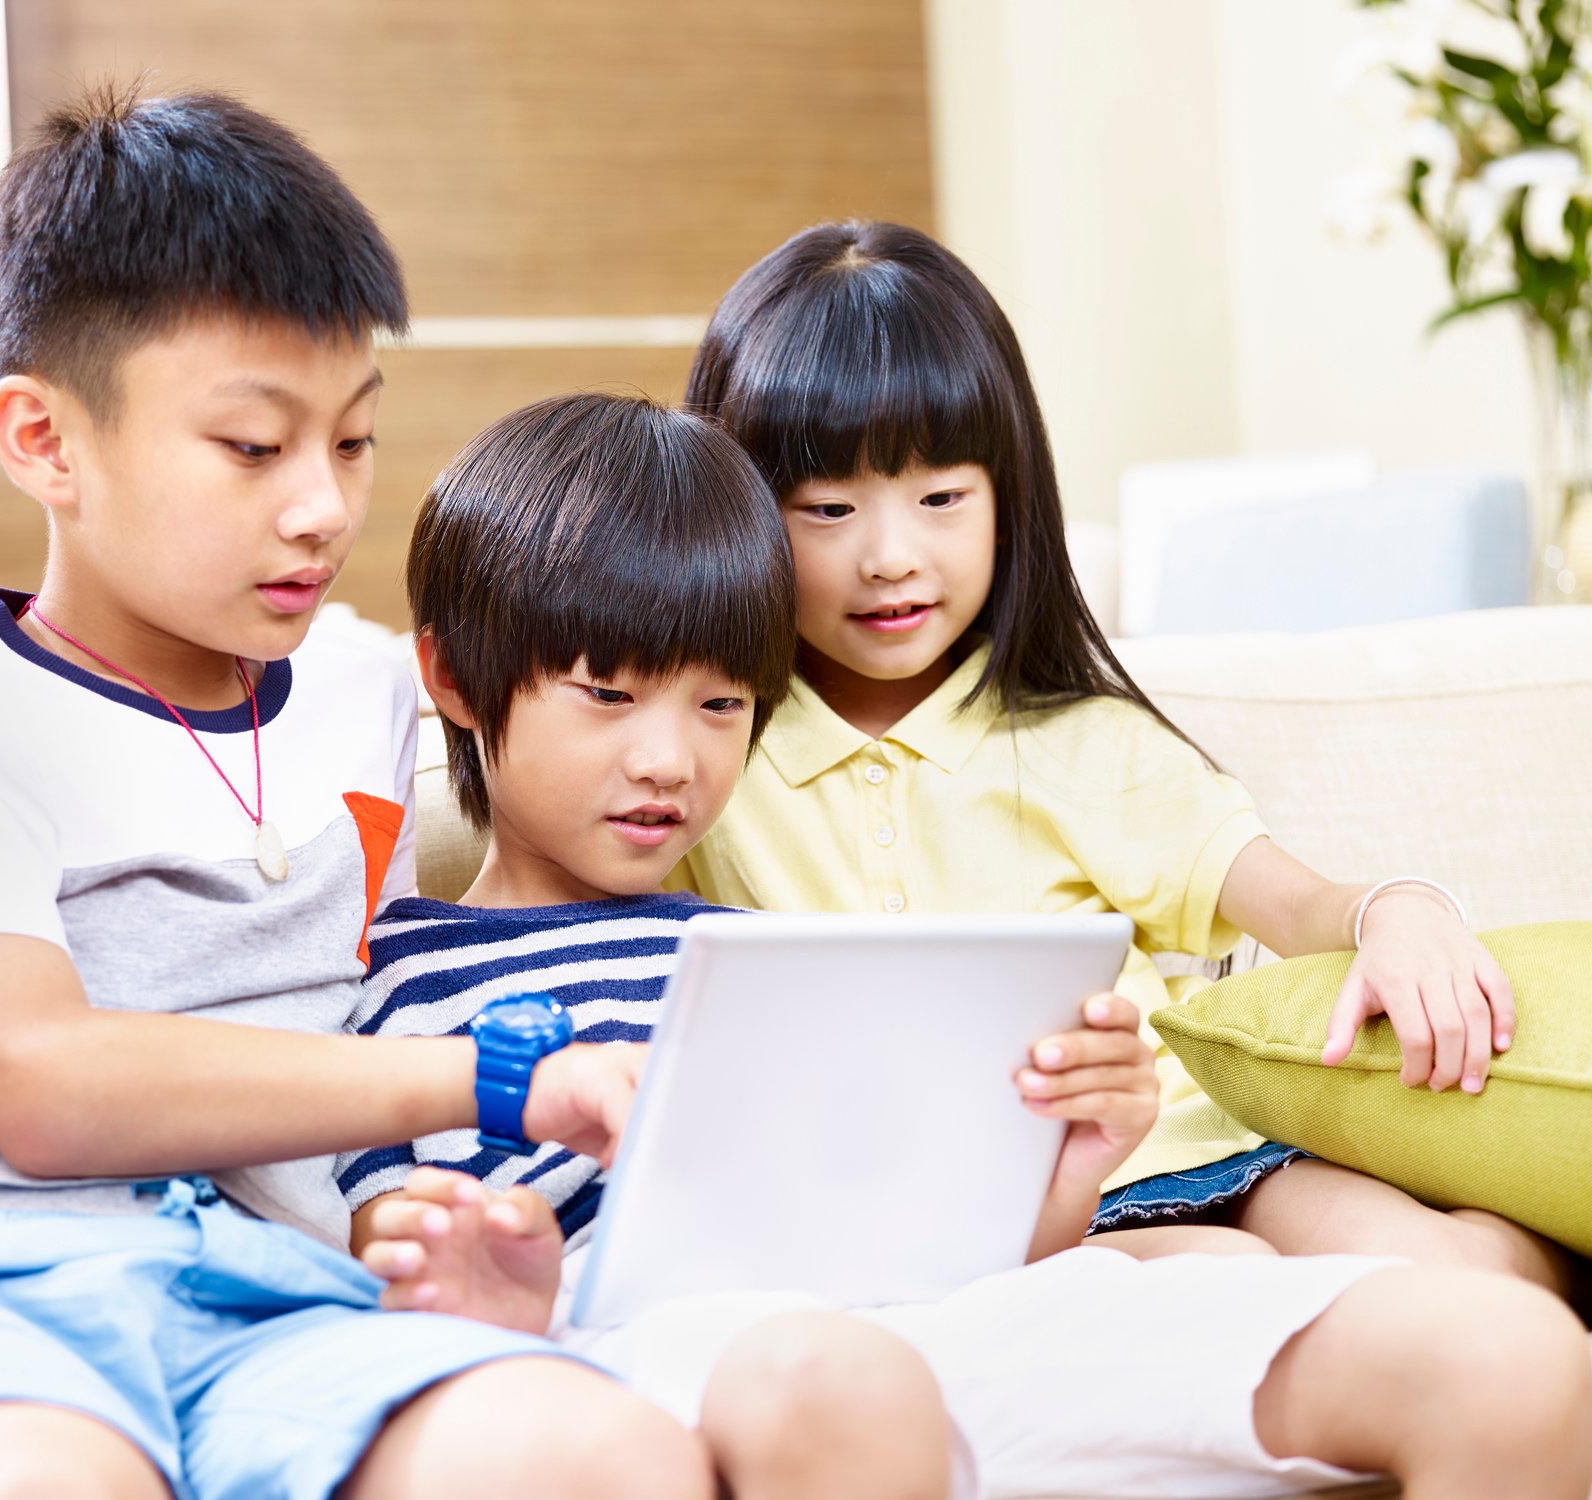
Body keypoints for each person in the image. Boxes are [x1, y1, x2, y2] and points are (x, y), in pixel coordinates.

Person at [0, 84, 719, 1500]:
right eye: (253, 446)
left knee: (600, 1453)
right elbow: (43, 1088)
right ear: (45, 441)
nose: (325, 509)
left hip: (264, 1298)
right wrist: (504, 1080)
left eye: (353, 441)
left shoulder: (369, 693)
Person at [346, 390, 1592, 1500]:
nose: (670, 760)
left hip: (966, 1327)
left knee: (1511, 1358)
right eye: (608, 696)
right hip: (685, 1352)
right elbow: (387, 1246)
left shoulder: (770, 950)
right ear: (453, 679)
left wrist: (1072, 1156)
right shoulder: (403, 970)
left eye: (722, 703)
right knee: (834, 1381)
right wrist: (493, 1300)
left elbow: (958, 1256)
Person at [672, 218, 1580, 1292]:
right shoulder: (704, 761)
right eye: (827, 509)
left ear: (1009, 494)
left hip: (1209, 1148)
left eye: (941, 498)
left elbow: (1296, 908)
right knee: (1245, 1285)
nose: (890, 558)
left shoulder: (1077, 740)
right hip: (1044, 1208)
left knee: (1447, 1264)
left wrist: (1398, 910)